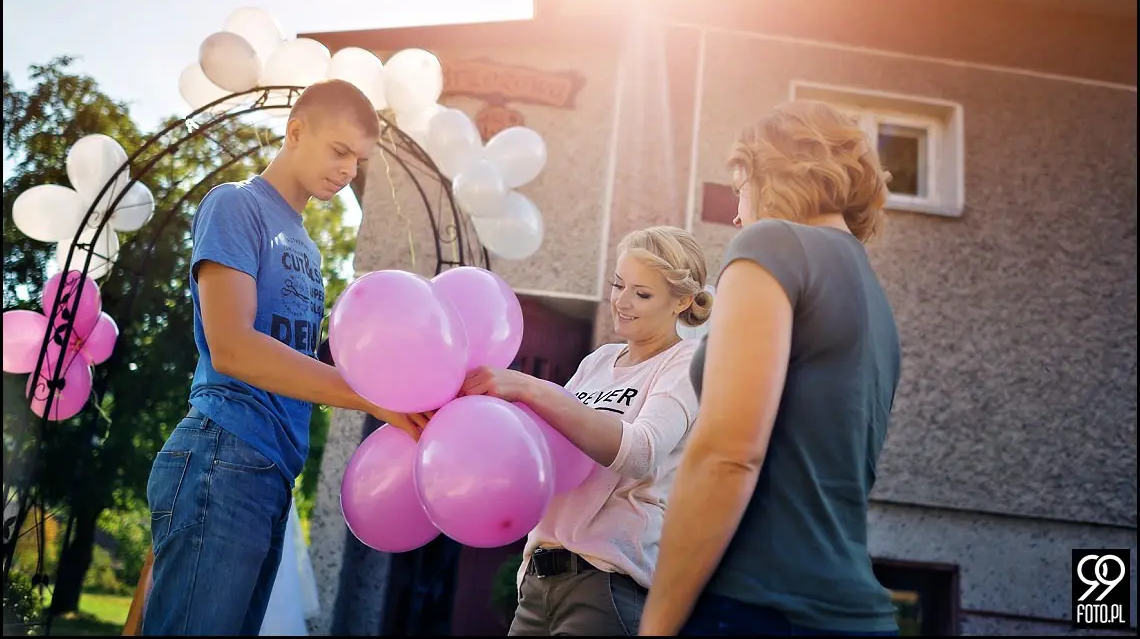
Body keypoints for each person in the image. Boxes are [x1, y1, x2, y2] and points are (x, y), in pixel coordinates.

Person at [142, 80, 430, 636]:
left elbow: (299, 363)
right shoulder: (236, 205)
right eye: (339, 151)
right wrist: (375, 399)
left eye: (359, 160)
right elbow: (233, 348)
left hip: (272, 472)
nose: (349, 170)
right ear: (295, 132)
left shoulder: (307, 247)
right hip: (222, 454)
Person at [640, 101, 903, 637]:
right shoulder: (875, 300)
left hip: (755, 607)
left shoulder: (774, 243)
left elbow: (728, 454)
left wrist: (657, 625)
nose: (738, 214)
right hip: (854, 615)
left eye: (739, 187)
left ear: (773, 172)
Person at [461, 226, 714, 637]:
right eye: (618, 285)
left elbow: (640, 452)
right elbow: (550, 449)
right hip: (537, 581)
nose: (622, 302)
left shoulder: (685, 364)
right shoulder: (599, 361)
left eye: (642, 293)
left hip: (606, 585)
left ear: (682, 301)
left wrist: (528, 386)